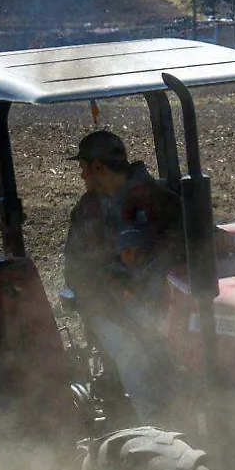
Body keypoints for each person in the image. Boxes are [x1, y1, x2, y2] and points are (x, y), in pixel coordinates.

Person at [63, 129, 184, 422]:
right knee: (132, 354)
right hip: (108, 307)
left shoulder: (158, 201)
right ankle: (157, 427)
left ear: (98, 167)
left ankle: (185, 411)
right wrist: (111, 288)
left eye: (83, 168)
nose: (82, 176)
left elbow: (186, 248)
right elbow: (76, 269)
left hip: (161, 303)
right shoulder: (88, 210)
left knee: (176, 348)